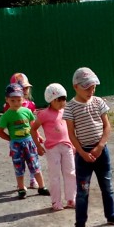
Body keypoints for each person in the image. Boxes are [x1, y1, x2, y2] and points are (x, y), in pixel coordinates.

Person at [64, 67, 114, 227]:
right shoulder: (70, 107)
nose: (91, 91)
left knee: (107, 185)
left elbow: (107, 126)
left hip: (101, 152)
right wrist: (82, 153)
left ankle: (111, 215)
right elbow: (71, 134)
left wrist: (100, 146)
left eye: (93, 87)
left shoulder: (98, 102)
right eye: (87, 88)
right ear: (75, 86)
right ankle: (80, 222)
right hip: (83, 155)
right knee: (82, 190)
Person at [0, 83, 50, 200]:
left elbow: (32, 126)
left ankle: (42, 186)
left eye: (19, 100)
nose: (16, 103)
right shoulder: (6, 116)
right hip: (16, 145)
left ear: (23, 98)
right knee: (19, 166)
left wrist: (37, 137)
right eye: (12, 100)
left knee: (35, 164)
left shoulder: (27, 111)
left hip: (29, 142)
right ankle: (21, 188)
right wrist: (10, 139)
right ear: (7, 100)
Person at [34, 83, 76, 211]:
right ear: (51, 100)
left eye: (64, 99)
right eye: (59, 100)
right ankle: (56, 202)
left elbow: (70, 129)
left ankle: (71, 199)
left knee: (71, 172)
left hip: (67, 146)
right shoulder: (44, 114)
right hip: (52, 149)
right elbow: (33, 129)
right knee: (55, 175)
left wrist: (74, 144)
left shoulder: (66, 111)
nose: (62, 102)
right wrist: (38, 145)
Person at [3, 73, 40, 188]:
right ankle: (21, 184)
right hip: (17, 140)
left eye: (26, 88)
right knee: (19, 161)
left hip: (29, 138)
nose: (25, 91)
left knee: (33, 159)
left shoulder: (31, 105)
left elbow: (32, 123)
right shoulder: (8, 106)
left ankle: (33, 179)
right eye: (23, 88)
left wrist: (37, 135)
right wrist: (11, 138)